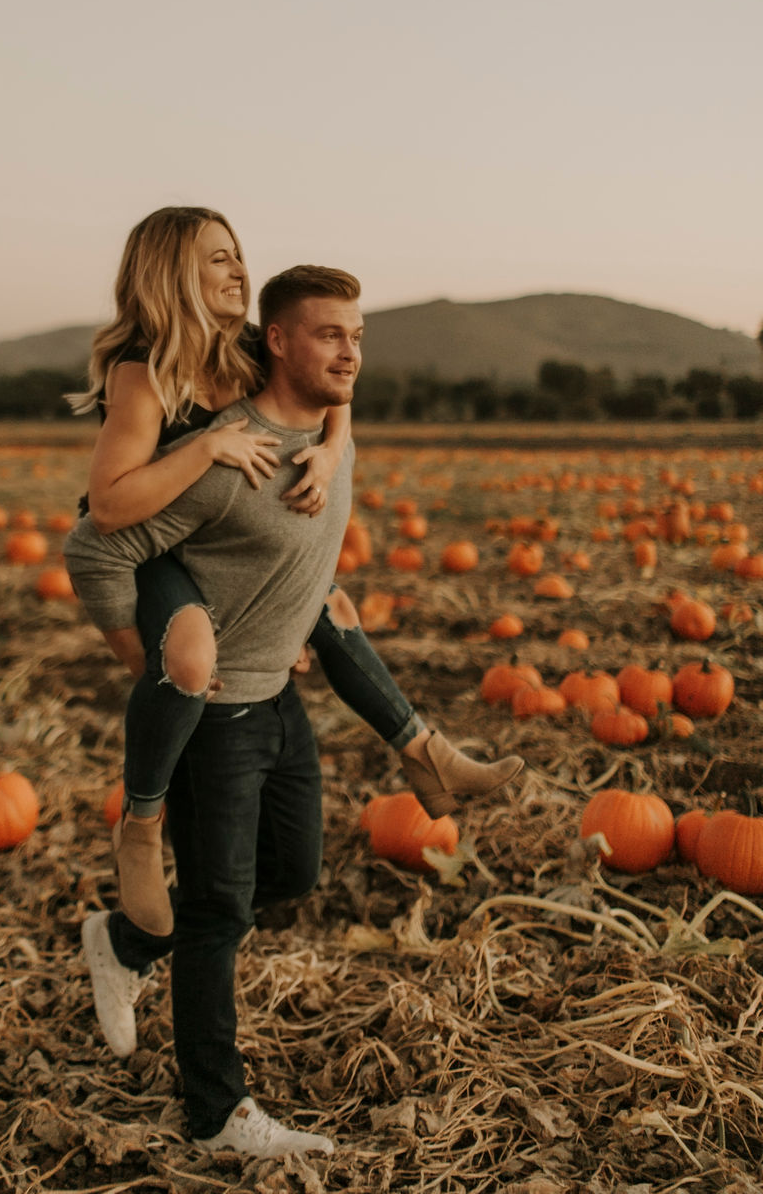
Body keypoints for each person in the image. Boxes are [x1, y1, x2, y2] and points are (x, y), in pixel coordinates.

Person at [64, 265, 521, 1158]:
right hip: (216, 714)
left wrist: (337, 441)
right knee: (220, 914)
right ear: (279, 341)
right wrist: (150, 659)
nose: (351, 350)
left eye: (358, 336)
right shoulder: (229, 455)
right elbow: (96, 539)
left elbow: (315, 524)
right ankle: (215, 1113)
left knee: (295, 873)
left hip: (282, 701)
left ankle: (125, 941)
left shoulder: (325, 435)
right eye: (330, 335)